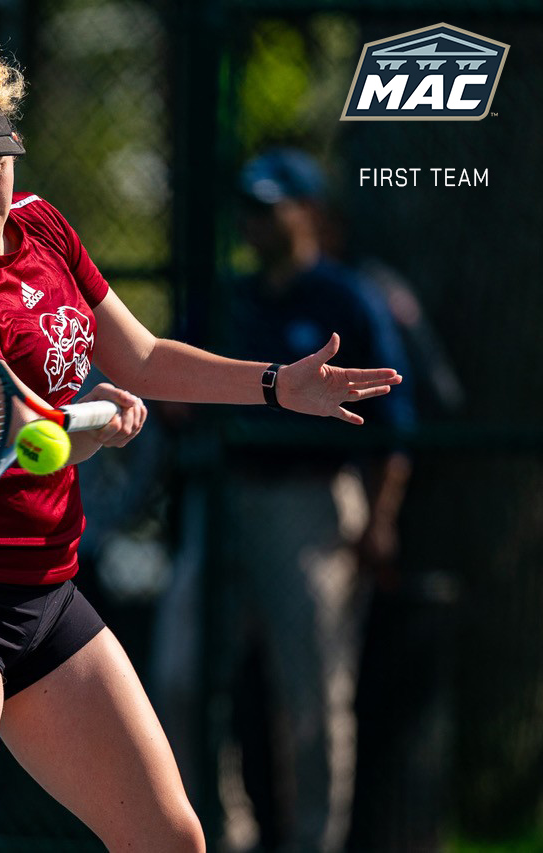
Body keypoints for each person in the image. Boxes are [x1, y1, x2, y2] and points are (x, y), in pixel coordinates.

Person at [0, 17, 402, 852]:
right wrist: (93, 422)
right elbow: (21, 436)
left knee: (169, 838)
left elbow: (141, 354)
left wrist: (273, 385)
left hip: (45, 593)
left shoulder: (42, 225)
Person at [156, 148, 415, 852]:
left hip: (311, 508)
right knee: (178, 676)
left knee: (308, 698)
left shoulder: (347, 298)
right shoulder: (224, 297)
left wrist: (379, 523)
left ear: (311, 214)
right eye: (247, 207)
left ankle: (311, 842)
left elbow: (397, 428)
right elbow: (172, 386)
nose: (254, 221)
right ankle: (219, 835)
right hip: (228, 500)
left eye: (270, 207)